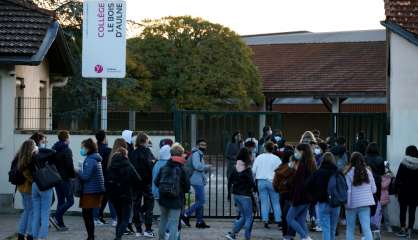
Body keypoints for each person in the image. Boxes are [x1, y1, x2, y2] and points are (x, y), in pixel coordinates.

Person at [155, 143, 190, 240]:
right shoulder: (182, 169)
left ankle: (161, 238)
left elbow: (156, 182)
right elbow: (187, 186)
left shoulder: (164, 167)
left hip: (163, 198)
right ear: (181, 154)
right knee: (174, 223)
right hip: (176, 199)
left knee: (163, 219)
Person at [106, 147, 142, 240]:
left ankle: (117, 237)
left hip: (114, 196)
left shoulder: (111, 166)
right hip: (126, 195)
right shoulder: (128, 165)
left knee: (120, 218)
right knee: (125, 219)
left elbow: (106, 180)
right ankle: (118, 238)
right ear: (125, 155)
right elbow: (138, 179)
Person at [306, 152, 339, 240]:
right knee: (333, 228)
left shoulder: (318, 172)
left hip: (323, 202)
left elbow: (308, 185)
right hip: (336, 203)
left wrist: (315, 195)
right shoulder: (337, 172)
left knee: (326, 228)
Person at [286, 143, 316, 240]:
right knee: (301, 220)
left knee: (289, 218)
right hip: (307, 197)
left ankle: (305, 237)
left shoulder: (302, 166)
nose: (295, 153)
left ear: (302, 152)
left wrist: (295, 200)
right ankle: (305, 237)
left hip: (300, 198)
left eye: (297, 151)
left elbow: (299, 185)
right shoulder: (311, 164)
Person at [225, 148, 256, 240]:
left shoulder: (235, 167)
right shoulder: (247, 169)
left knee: (243, 216)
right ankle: (247, 237)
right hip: (245, 195)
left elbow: (230, 180)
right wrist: (254, 188)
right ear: (248, 156)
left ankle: (232, 234)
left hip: (236, 194)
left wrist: (229, 194)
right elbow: (251, 183)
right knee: (249, 217)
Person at [129, 132, 156, 237]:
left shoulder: (132, 153)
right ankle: (148, 229)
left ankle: (138, 230)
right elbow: (152, 167)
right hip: (147, 183)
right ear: (145, 141)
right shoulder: (147, 152)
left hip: (135, 184)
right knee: (149, 206)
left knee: (136, 205)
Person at [345, 152, 376, 240]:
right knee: (366, 228)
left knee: (350, 229)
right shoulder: (368, 172)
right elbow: (374, 190)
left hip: (352, 205)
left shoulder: (348, 173)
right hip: (365, 204)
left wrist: (347, 205)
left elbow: (348, 191)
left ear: (351, 161)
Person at [78, 138, 105, 240]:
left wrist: (77, 170)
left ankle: (90, 237)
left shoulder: (90, 160)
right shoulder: (95, 158)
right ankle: (91, 236)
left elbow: (85, 177)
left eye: (83, 147)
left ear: (88, 148)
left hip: (91, 191)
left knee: (87, 215)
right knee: (87, 214)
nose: (81, 149)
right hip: (94, 190)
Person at [181, 139, 211, 229]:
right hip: (196, 180)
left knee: (199, 202)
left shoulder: (199, 154)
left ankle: (199, 221)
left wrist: (204, 179)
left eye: (205, 145)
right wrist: (207, 166)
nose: (203, 146)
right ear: (197, 145)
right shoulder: (196, 154)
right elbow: (197, 166)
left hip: (197, 180)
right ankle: (185, 214)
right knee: (201, 201)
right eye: (202, 144)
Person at [30, 138, 57, 240]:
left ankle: (34, 236)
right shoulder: (40, 155)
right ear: (35, 146)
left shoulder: (27, 156)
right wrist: (40, 149)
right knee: (45, 214)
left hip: (34, 185)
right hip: (45, 185)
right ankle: (43, 237)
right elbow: (53, 152)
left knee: (36, 214)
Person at [252, 141, 282, 228]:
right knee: (276, 202)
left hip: (261, 181)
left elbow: (253, 171)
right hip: (273, 181)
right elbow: (280, 171)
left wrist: (253, 181)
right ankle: (278, 220)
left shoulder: (259, 157)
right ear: (273, 149)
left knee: (264, 202)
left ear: (264, 148)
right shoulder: (276, 158)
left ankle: (265, 220)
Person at [51, 130, 75, 231]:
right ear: (66, 138)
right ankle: (56, 216)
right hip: (65, 179)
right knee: (70, 201)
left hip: (56, 179)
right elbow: (70, 165)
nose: (69, 139)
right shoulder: (67, 150)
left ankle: (60, 224)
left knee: (61, 201)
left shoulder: (54, 148)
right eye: (69, 137)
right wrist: (72, 176)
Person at [273, 146, 296, 240]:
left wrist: (278, 189)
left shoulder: (279, 168)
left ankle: (285, 234)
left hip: (282, 193)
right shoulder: (294, 168)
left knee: (284, 214)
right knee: (292, 215)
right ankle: (290, 234)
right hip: (292, 193)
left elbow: (274, 183)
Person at [395, 145, 418, 238]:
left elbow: (398, 178)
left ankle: (403, 229)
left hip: (403, 191)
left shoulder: (403, 163)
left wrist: (396, 190)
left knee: (403, 211)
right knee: (412, 212)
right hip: (415, 192)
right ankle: (410, 231)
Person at [94, 130, 116, 226]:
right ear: (104, 138)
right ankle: (114, 218)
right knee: (110, 198)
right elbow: (110, 165)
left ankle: (97, 217)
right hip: (106, 177)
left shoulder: (94, 149)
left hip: (96, 177)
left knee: (99, 199)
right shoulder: (108, 150)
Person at [15, 140, 36, 240]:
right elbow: (27, 174)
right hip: (28, 189)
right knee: (31, 211)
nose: (36, 147)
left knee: (27, 211)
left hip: (21, 188)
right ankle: (30, 234)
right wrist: (35, 181)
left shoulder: (19, 156)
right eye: (34, 146)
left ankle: (21, 233)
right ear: (30, 147)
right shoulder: (28, 159)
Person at [365, 142, 385, 227]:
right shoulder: (380, 159)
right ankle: (374, 221)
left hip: (366, 182)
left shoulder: (365, 158)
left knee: (366, 202)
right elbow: (382, 172)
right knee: (376, 201)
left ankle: (366, 220)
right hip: (377, 182)